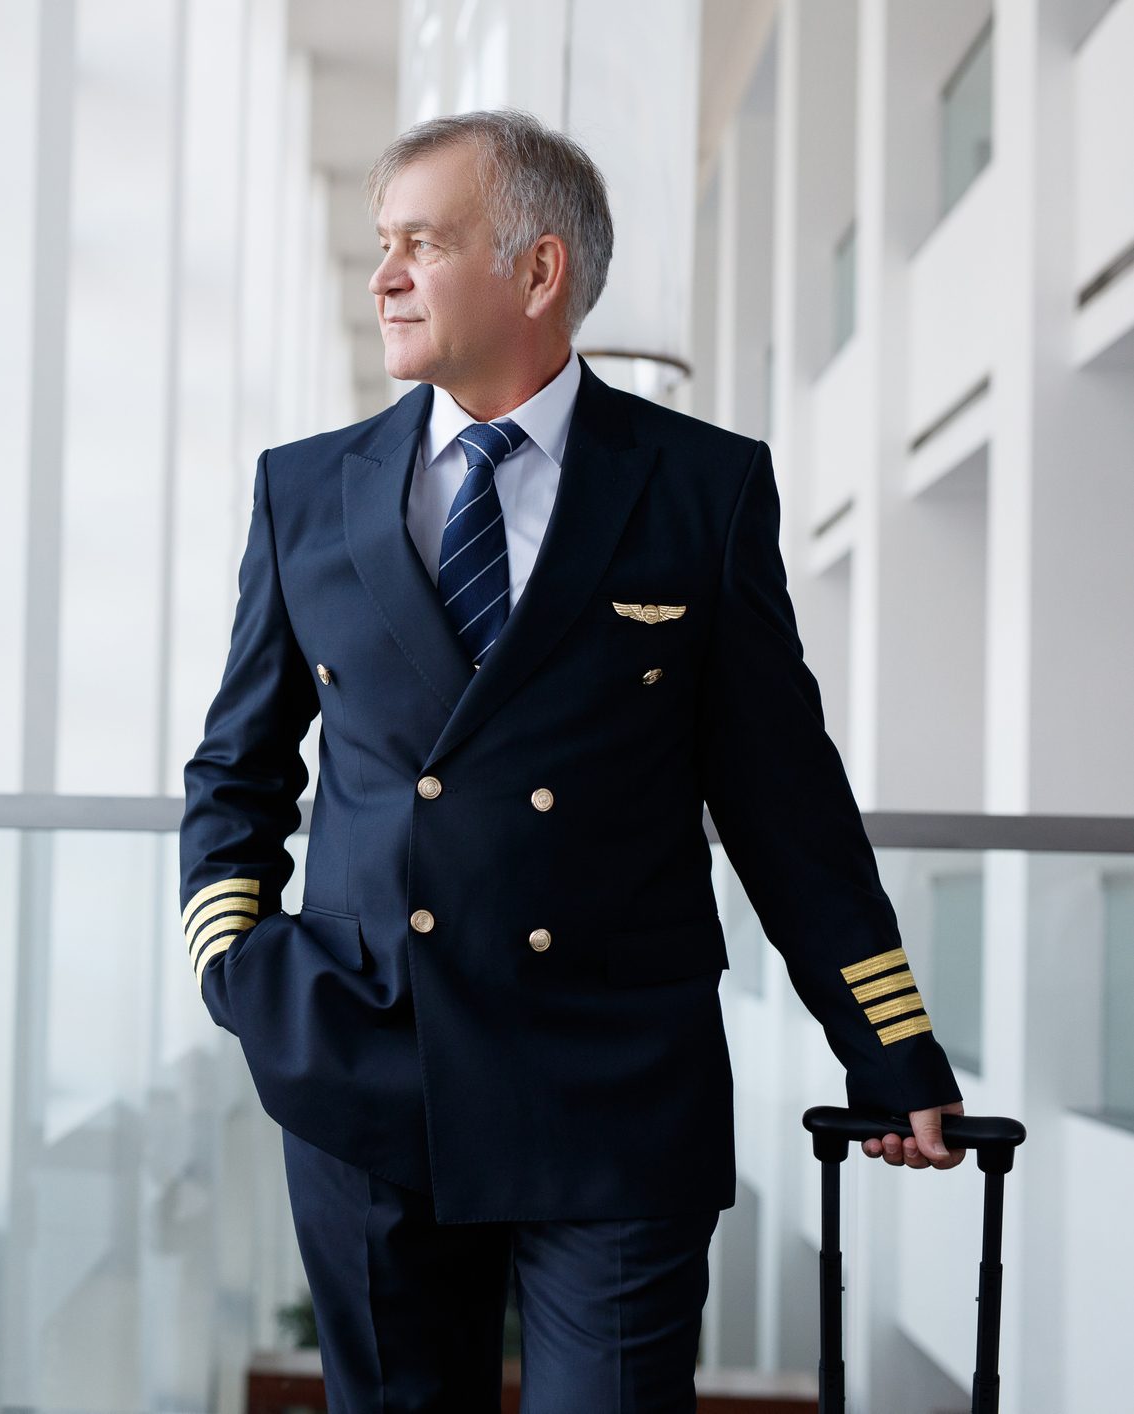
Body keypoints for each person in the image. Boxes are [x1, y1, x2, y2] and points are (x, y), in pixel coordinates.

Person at [177, 108, 966, 1412]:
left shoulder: (696, 489)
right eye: (381, 243)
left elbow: (783, 805)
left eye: (419, 243)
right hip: (366, 1066)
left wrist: (887, 1046)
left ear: (537, 272)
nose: (380, 276)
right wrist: (239, 971)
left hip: (614, 1084)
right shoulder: (302, 490)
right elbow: (237, 769)